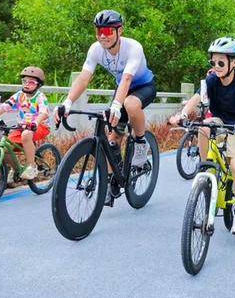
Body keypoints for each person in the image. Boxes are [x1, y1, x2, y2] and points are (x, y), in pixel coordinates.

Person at [54, 10, 157, 176]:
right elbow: (83, 78)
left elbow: (127, 79)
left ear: (119, 31)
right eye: (99, 31)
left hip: (144, 86)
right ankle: (112, 179)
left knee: (130, 104)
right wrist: (67, 102)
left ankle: (140, 142)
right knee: (112, 139)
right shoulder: (95, 49)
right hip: (122, 89)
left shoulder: (133, 47)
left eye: (108, 31)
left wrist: (116, 105)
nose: (103, 36)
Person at [169, 37, 235, 235]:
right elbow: (196, 98)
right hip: (219, 120)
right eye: (213, 62)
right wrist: (182, 114)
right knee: (204, 126)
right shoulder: (212, 80)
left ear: (234, 62)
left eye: (221, 63)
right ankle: (205, 165)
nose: (216, 67)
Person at [0, 67, 50, 180]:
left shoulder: (40, 97)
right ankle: (17, 170)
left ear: (39, 85)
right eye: (24, 81)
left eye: (31, 82)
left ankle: (31, 166)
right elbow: (5, 107)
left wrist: (35, 123)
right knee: (5, 148)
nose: (27, 84)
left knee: (26, 134)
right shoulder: (19, 95)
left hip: (39, 126)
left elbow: (44, 113)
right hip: (22, 127)